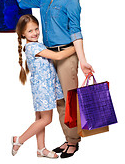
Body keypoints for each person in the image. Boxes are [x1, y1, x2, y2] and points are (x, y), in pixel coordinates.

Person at [8, 0, 94, 158]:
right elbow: (23, 3)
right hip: (47, 54)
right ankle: (68, 138)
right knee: (60, 101)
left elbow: (76, 31)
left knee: (70, 99)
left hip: (66, 54)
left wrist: (82, 60)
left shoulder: (71, 0)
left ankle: (73, 141)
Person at [11, 14, 76, 158]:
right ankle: (19, 140)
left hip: (43, 87)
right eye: (30, 31)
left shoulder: (36, 45)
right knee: (46, 119)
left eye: (36, 29)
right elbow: (58, 56)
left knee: (40, 119)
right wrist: (75, 47)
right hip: (43, 89)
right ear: (22, 33)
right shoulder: (33, 47)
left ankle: (41, 149)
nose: (34, 33)